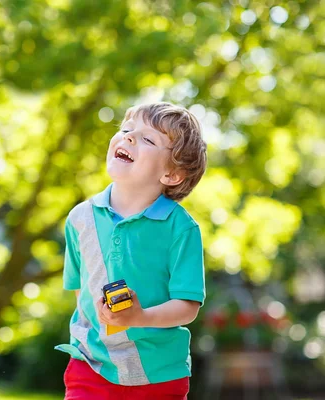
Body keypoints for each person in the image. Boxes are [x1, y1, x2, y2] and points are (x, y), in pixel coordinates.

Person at [54, 102, 208, 399]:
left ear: (172, 175)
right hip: (91, 366)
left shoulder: (181, 229)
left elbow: (188, 307)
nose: (128, 137)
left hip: (159, 373)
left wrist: (138, 317)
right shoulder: (79, 219)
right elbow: (80, 291)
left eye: (148, 139)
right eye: (126, 130)